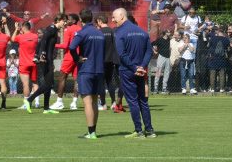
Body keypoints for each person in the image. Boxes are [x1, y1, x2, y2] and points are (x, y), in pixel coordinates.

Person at [111, 8, 155, 138]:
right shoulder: (143, 32)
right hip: (141, 71)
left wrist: (134, 67)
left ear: (122, 16)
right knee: (143, 101)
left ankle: (139, 131)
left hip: (127, 71)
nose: (113, 20)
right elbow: (149, 52)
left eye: (114, 17)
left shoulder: (119, 33)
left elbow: (121, 54)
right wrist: (142, 66)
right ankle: (150, 130)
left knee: (133, 101)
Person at [68, 10, 106, 139]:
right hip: (99, 70)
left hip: (86, 70)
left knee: (87, 102)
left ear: (80, 18)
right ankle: (93, 131)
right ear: (92, 18)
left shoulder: (82, 32)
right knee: (95, 101)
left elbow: (72, 47)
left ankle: (91, 133)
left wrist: (77, 58)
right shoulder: (100, 33)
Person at [52, 13, 81, 111]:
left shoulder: (69, 29)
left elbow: (65, 46)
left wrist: (53, 45)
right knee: (76, 80)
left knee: (62, 77)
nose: (66, 21)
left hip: (70, 56)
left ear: (73, 21)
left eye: (68, 19)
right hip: (79, 57)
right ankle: (74, 103)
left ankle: (59, 102)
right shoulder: (80, 29)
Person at [13, 21, 39, 112]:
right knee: (35, 82)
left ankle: (26, 103)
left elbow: (12, 39)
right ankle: (37, 102)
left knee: (26, 84)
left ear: (23, 28)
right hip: (34, 63)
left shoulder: (20, 37)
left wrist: (16, 29)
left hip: (24, 63)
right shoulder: (35, 36)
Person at [206, 26, 231, 93]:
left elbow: (208, 46)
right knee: (222, 74)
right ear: (224, 32)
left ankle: (212, 88)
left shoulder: (213, 38)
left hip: (213, 59)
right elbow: (228, 49)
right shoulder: (226, 39)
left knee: (212, 74)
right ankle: (222, 89)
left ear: (218, 31)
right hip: (222, 59)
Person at [152, 30, 172, 94]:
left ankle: (164, 88)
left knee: (166, 73)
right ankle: (156, 88)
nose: (169, 33)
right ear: (165, 33)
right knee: (158, 72)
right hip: (161, 57)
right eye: (168, 32)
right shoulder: (160, 39)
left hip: (168, 58)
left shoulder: (169, 39)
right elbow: (152, 44)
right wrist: (154, 50)